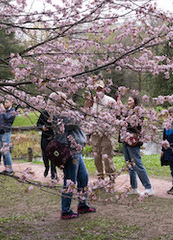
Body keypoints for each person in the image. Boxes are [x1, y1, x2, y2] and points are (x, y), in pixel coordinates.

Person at [50, 92, 96, 220]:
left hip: (76, 150)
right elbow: (76, 121)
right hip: (70, 151)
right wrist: (86, 108)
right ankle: (65, 210)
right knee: (70, 180)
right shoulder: (58, 115)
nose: (66, 102)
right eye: (63, 100)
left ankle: (82, 204)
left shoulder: (65, 112)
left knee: (83, 177)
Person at [120, 95, 154, 196]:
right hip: (125, 140)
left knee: (138, 164)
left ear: (135, 101)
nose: (128, 102)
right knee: (129, 164)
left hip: (133, 141)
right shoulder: (127, 111)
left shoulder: (138, 113)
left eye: (130, 100)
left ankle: (148, 187)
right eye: (128, 100)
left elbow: (136, 127)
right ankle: (134, 187)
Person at [88, 80, 118, 181]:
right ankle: (100, 175)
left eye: (100, 88)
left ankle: (111, 174)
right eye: (97, 89)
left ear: (104, 88)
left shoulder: (110, 101)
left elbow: (116, 117)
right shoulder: (92, 102)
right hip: (95, 132)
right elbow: (90, 117)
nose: (98, 91)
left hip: (106, 133)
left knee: (107, 156)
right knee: (96, 155)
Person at [0, 98, 17, 174]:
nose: (5, 104)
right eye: (5, 102)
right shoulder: (3, 111)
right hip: (0, 132)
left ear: (11, 103)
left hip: (6, 133)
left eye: (7, 102)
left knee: (6, 151)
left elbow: (7, 118)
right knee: (3, 151)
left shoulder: (13, 112)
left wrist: (3, 110)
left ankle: (10, 169)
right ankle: (6, 168)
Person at [37, 107, 58, 181]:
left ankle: (53, 172)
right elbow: (38, 123)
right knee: (45, 155)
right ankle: (46, 167)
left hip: (54, 137)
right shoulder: (44, 112)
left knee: (54, 155)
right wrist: (42, 127)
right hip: (45, 136)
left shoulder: (58, 112)